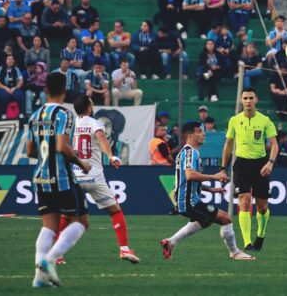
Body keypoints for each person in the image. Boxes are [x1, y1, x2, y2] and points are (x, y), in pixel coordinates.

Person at [51, 95, 140, 265]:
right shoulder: (94, 123)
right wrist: (112, 156)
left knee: (66, 215)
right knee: (115, 211)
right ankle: (124, 249)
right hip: (94, 176)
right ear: (89, 108)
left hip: (75, 176)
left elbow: (62, 146)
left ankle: (57, 254)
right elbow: (102, 139)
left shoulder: (69, 124)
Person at [27, 72, 91, 288]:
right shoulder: (65, 114)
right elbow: (62, 147)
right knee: (81, 222)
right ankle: (50, 259)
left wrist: (47, 157)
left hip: (41, 176)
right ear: (65, 90)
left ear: (45, 90)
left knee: (49, 226)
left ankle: (38, 277)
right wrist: (82, 163)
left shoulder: (34, 115)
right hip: (62, 177)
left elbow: (30, 151)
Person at [161, 122, 254, 261]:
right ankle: (235, 252)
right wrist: (215, 177)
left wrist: (210, 189)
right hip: (188, 202)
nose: (203, 134)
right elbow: (190, 175)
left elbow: (184, 180)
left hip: (189, 200)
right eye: (199, 131)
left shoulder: (190, 152)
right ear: (190, 135)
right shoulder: (189, 153)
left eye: (203, 131)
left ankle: (170, 242)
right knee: (226, 219)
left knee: (206, 221)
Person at [220, 88, 278, 251]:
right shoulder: (234, 120)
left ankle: (260, 234)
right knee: (244, 201)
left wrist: (270, 163)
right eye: (245, 98)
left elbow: (274, 145)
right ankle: (246, 242)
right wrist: (223, 167)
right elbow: (228, 145)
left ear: (256, 100)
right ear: (241, 100)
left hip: (260, 165)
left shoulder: (265, 120)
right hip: (241, 165)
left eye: (251, 98)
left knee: (262, 207)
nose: (248, 101)